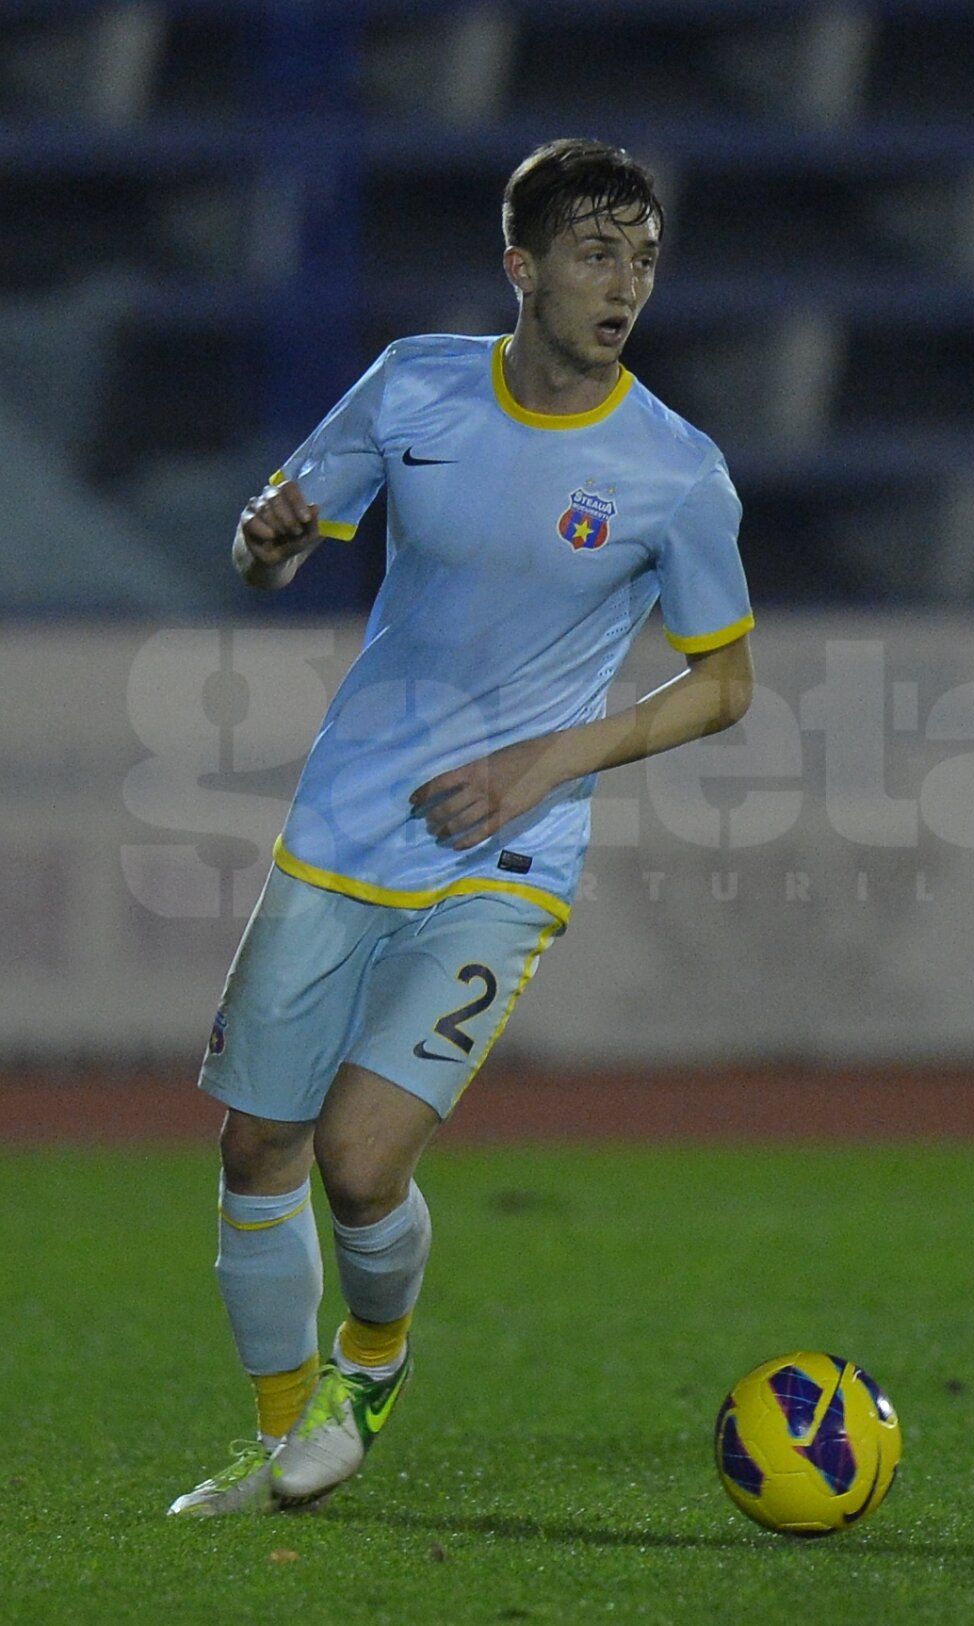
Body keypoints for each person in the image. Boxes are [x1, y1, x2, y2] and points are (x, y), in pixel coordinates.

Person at [168, 137, 754, 1517]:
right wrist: (266, 539)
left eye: (645, 256)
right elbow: (281, 544)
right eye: (599, 251)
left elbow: (725, 681)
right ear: (523, 265)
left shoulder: (675, 471)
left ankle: (367, 1365)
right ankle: (272, 1441)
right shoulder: (417, 382)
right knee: (258, 1146)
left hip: (509, 851)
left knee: (361, 1159)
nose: (627, 283)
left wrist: (553, 759)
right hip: (346, 821)